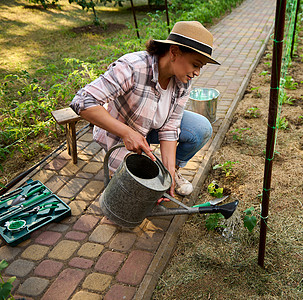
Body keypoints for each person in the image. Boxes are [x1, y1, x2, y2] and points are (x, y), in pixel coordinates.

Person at [70, 21, 220, 197]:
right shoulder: (133, 67)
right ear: (174, 52)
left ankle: (171, 174)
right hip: (121, 134)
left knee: (201, 128)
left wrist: (168, 172)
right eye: (195, 65)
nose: (197, 73)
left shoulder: (182, 82)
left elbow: (171, 128)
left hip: (151, 128)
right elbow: (82, 101)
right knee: (135, 191)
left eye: (200, 67)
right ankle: (121, 168)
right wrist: (127, 133)